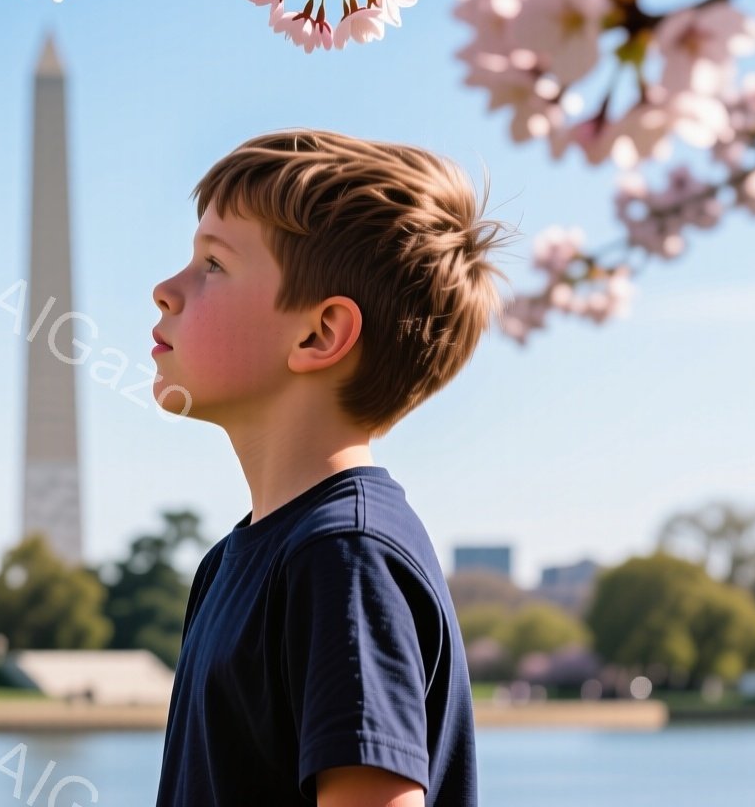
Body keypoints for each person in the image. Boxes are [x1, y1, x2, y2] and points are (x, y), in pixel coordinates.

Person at [149, 129, 515, 807]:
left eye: (213, 266)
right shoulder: (233, 563)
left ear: (319, 334)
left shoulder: (344, 558)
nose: (165, 290)